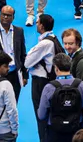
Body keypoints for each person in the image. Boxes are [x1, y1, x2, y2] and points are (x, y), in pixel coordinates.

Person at [37, 52, 83, 142]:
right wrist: (81, 124)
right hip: (76, 132)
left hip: (54, 133)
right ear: (70, 66)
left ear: (56, 68)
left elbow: (41, 115)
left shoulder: (49, 87)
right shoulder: (82, 85)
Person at [25, 14, 63, 142]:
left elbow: (27, 62)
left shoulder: (44, 44)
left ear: (41, 25)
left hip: (40, 83)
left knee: (41, 115)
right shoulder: (53, 38)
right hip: (49, 81)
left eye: (37, 22)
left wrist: (31, 58)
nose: (36, 24)